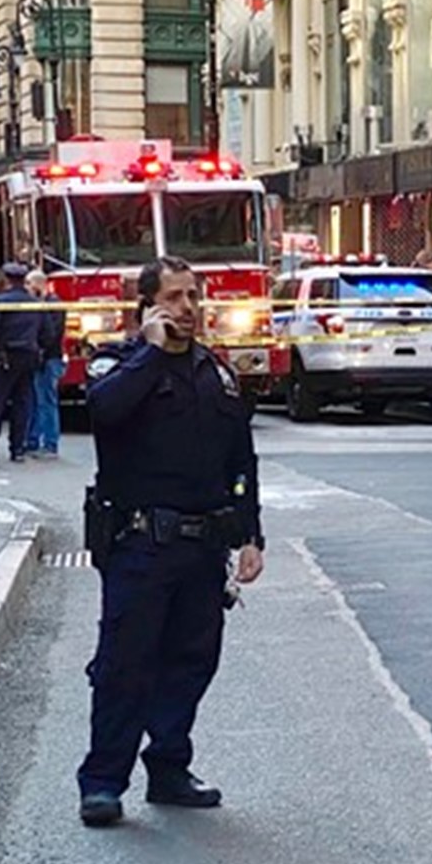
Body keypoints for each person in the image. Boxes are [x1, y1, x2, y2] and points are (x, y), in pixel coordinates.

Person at [76, 256, 266, 827]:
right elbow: (104, 412)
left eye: (193, 297)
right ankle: (104, 783)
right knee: (123, 665)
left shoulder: (216, 372)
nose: (189, 308)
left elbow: (242, 461)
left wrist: (251, 535)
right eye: (176, 298)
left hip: (203, 547)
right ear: (149, 306)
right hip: (141, 544)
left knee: (190, 662)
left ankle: (169, 769)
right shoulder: (121, 363)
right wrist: (154, 350)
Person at [0, 262, 44, 465]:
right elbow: (46, 331)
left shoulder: (0, 301)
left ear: (6, 280)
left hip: (5, 357)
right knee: (22, 404)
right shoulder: (35, 303)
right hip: (28, 357)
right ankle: (18, 449)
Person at [25, 269, 67, 460]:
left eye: (29, 284)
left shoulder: (53, 305)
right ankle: (34, 441)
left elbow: (51, 333)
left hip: (49, 359)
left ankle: (50, 444)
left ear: (40, 285)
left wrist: (39, 350)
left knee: (46, 401)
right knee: (38, 400)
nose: (27, 289)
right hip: (44, 358)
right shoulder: (44, 304)